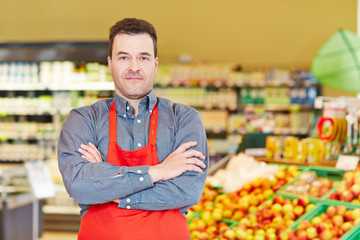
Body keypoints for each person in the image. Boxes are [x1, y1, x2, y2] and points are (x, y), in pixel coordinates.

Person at [58, 18, 209, 239]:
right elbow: (79, 184)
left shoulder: (184, 119)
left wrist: (110, 187)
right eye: (123, 57)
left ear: (155, 64)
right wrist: (159, 171)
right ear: (110, 63)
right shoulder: (83, 119)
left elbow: (187, 190)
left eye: (143, 57)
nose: (134, 67)